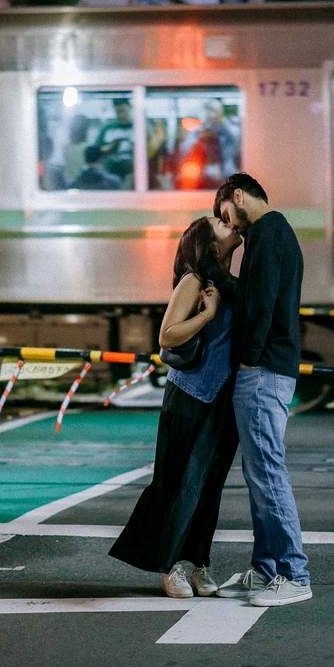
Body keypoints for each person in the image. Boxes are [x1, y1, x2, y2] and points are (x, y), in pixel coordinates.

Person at [110, 215, 242, 598]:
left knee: (209, 486)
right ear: (209, 243)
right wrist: (207, 315)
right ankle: (170, 567)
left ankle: (200, 563)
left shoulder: (229, 282)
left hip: (222, 399)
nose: (228, 224)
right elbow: (166, 334)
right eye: (219, 224)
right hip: (189, 396)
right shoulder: (195, 280)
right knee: (178, 483)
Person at [212, 172, 311, 607]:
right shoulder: (274, 232)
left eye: (225, 215)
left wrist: (250, 356)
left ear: (237, 195)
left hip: (264, 369)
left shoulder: (268, 234)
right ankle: (266, 568)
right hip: (270, 367)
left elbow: (262, 302)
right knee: (260, 474)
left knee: (268, 472)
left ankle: (293, 573)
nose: (228, 224)